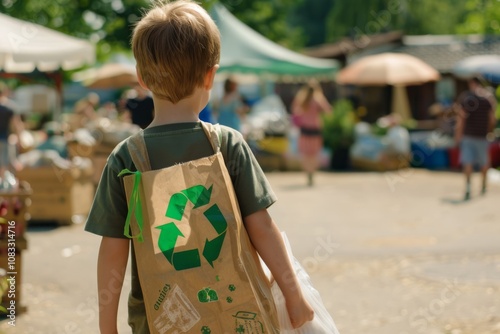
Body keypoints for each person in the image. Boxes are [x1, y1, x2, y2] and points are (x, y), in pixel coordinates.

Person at [84, 1, 314, 333]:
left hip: (159, 319)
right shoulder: (227, 145)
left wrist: (108, 328)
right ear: (210, 75)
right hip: (234, 312)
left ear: (141, 78)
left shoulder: (125, 158)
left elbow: (113, 251)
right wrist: (294, 295)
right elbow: (261, 227)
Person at [454, 77, 497, 200]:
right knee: (484, 162)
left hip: (468, 136)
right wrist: (489, 132)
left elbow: (461, 120)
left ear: (471, 83)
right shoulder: (488, 99)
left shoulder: (467, 98)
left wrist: (458, 136)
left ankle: (468, 187)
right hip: (482, 136)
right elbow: (492, 119)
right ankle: (483, 185)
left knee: (468, 161)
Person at [292, 81, 332, 186]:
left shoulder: (302, 99)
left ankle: (308, 173)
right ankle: (312, 173)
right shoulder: (318, 100)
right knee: (314, 154)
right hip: (315, 129)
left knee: (305, 154)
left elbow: (295, 111)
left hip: (304, 130)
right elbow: (328, 111)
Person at [0, 83, 24, 174]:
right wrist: (19, 139)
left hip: (5, 139)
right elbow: (17, 125)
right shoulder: (10, 107)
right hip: (5, 139)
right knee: (5, 164)